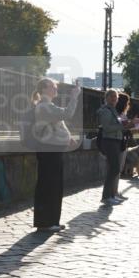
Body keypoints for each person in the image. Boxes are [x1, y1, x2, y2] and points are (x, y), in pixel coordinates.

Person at [30, 77, 81, 230]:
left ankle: (49, 221)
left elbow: (58, 123)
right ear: (44, 89)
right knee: (50, 185)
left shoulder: (47, 106)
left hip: (51, 149)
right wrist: (74, 97)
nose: (56, 89)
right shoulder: (44, 106)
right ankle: (47, 222)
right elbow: (67, 114)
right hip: (49, 150)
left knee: (52, 185)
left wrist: (68, 137)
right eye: (53, 86)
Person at [96, 90, 136, 205]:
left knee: (115, 169)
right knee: (114, 168)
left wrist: (131, 124)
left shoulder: (113, 110)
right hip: (109, 141)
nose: (114, 99)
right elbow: (108, 128)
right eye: (112, 96)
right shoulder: (105, 110)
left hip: (116, 141)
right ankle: (106, 197)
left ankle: (111, 195)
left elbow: (119, 125)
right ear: (106, 97)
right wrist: (125, 126)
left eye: (116, 97)